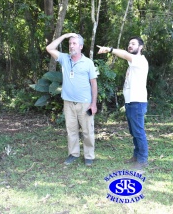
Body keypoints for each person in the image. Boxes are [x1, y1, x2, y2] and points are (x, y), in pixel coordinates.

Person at [97, 37, 149, 170]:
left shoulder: (139, 60)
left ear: (141, 47)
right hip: (131, 102)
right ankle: (136, 156)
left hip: (137, 102)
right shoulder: (133, 64)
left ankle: (142, 159)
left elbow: (125, 55)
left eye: (133, 44)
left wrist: (109, 49)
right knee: (134, 131)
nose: (130, 45)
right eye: (129, 43)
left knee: (138, 131)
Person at [46, 33, 98, 167]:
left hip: (85, 104)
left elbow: (93, 83)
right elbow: (49, 48)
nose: (71, 46)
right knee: (71, 130)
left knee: (87, 131)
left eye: (74, 43)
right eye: (70, 44)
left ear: (81, 46)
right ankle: (73, 154)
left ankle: (89, 156)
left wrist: (93, 103)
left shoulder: (88, 63)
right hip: (68, 103)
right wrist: (65, 36)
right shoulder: (64, 58)